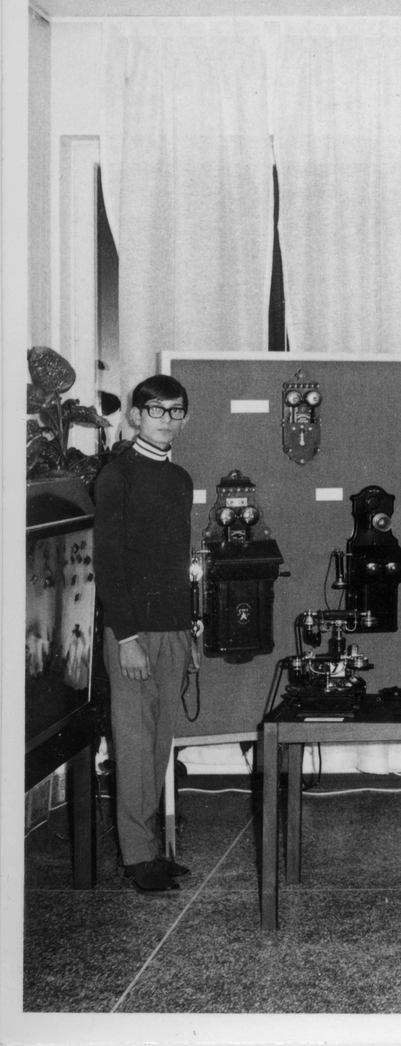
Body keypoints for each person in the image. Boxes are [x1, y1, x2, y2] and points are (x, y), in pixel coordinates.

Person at [94, 375, 199, 893]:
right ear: (135, 416)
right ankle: (138, 858)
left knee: (159, 745)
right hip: (132, 634)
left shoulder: (179, 478)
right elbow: (109, 564)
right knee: (134, 745)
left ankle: (150, 848)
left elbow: (175, 562)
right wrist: (126, 637)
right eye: (156, 410)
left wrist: (188, 628)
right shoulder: (117, 477)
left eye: (176, 411)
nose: (167, 420)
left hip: (173, 629)